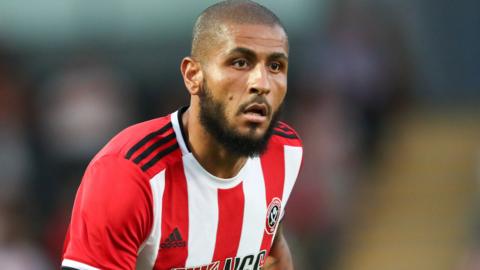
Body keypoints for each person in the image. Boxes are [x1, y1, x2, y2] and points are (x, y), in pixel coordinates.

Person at [61, 1, 303, 269]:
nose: (261, 83)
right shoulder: (128, 175)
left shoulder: (285, 151)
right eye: (240, 62)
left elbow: (273, 253)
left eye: (276, 66)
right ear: (193, 75)